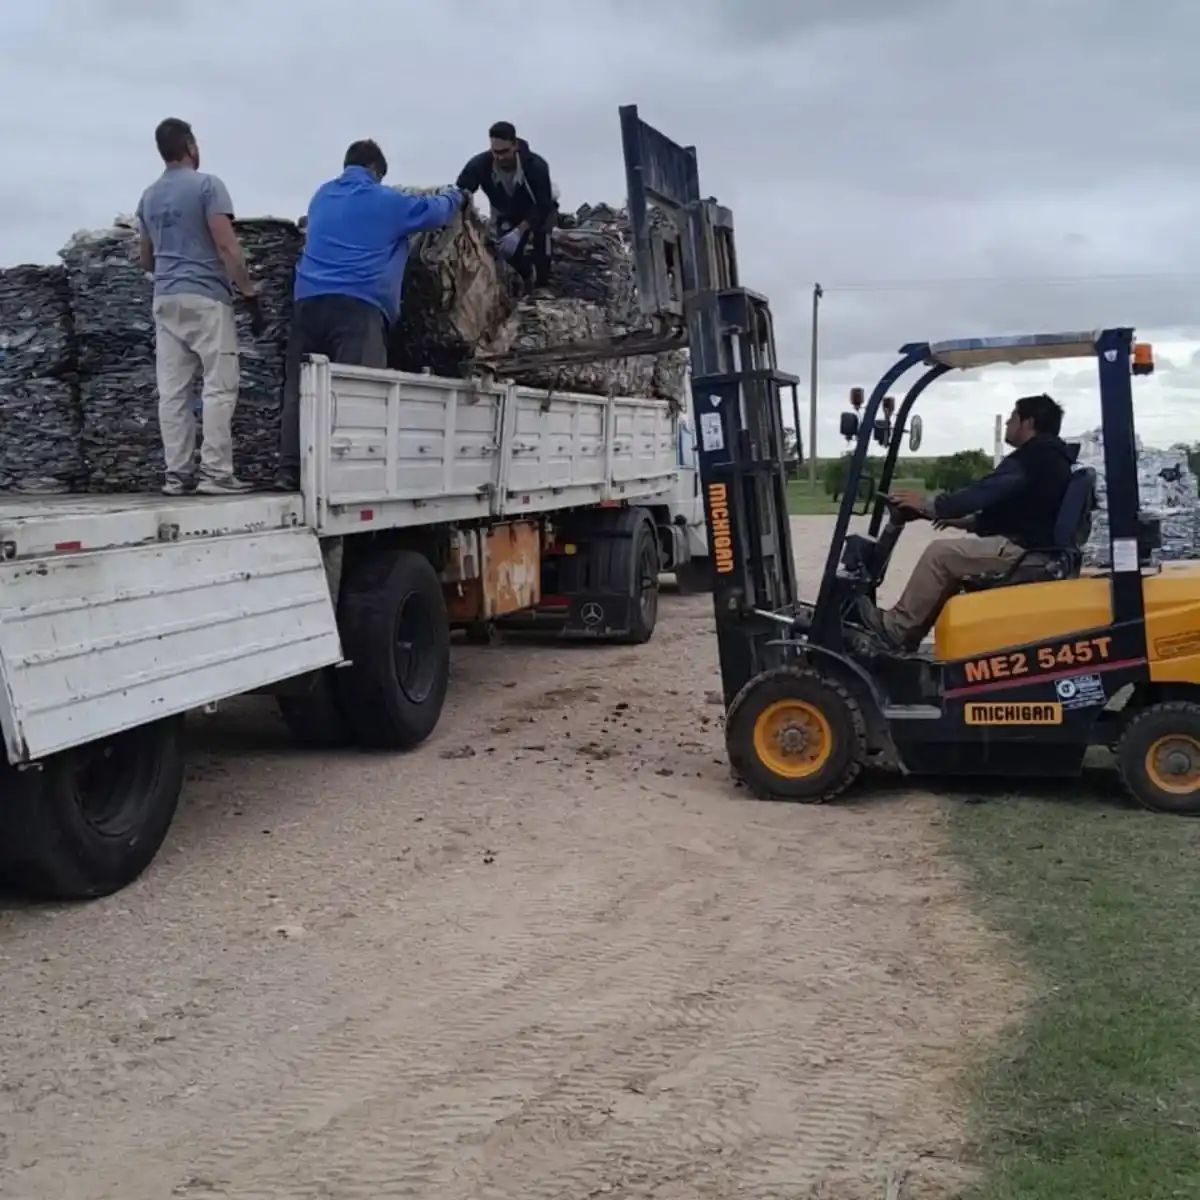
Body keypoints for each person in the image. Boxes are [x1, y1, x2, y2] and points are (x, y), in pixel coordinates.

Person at [276, 140, 466, 490]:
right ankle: (343, 477)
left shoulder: (321, 196)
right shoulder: (384, 200)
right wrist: (457, 196)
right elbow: (435, 212)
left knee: (300, 391)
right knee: (355, 393)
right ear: (377, 171)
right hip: (358, 307)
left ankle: (290, 470)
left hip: (308, 302)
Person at [857, 393, 1075, 650]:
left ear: (1028, 422)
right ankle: (906, 640)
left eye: (1012, 417)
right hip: (1035, 549)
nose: (1007, 423)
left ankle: (896, 629)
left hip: (1029, 555)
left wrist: (932, 505)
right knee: (953, 558)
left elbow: (982, 493)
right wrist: (957, 521)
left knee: (940, 554)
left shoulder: (1033, 458)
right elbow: (1013, 514)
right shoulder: (1050, 458)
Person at [137, 117, 259, 495]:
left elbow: (146, 258)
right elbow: (227, 246)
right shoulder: (208, 186)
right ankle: (216, 475)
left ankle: (177, 476)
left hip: (166, 299)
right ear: (189, 145)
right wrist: (249, 292)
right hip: (206, 297)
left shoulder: (148, 196)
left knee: (173, 391)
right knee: (218, 386)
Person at [456, 121, 557, 289]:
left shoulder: (536, 166)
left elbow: (543, 205)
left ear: (515, 145)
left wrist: (520, 230)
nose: (500, 157)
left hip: (537, 211)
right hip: (506, 212)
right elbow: (460, 194)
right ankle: (525, 279)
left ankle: (541, 289)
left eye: (504, 152)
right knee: (505, 254)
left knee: (542, 253)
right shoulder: (479, 166)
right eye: (496, 152)